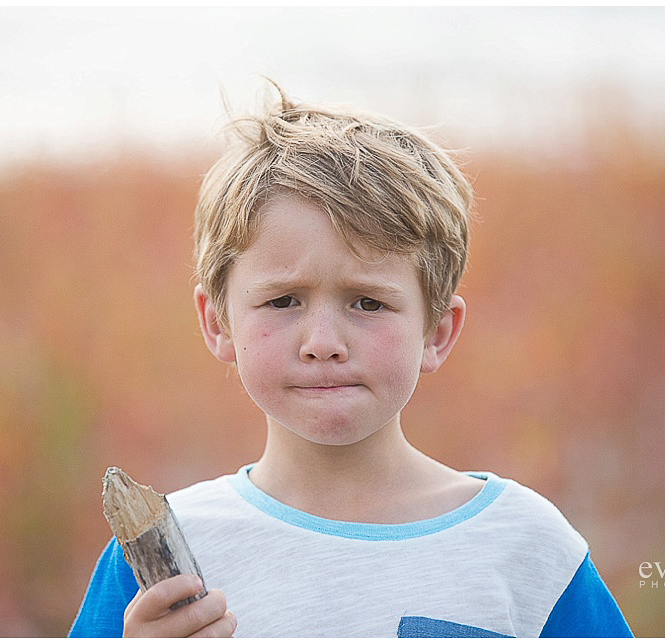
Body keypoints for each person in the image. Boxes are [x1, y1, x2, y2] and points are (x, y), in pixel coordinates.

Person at [68, 85, 633, 638]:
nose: (323, 341)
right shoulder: (161, 563)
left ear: (437, 331)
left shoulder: (526, 548)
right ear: (218, 321)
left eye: (368, 303)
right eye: (283, 300)